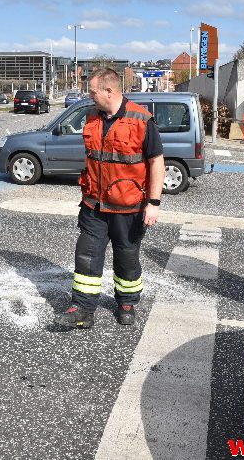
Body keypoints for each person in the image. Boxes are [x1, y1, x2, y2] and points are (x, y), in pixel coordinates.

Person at [54, 68, 165, 329]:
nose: (89, 96)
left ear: (109, 91)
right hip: (94, 204)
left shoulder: (141, 120)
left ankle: (126, 303)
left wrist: (154, 202)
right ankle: (83, 308)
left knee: (127, 256)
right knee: (87, 255)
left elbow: (157, 162)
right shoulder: (92, 116)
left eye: (92, 92)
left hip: (128, 207)